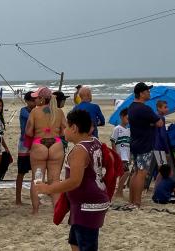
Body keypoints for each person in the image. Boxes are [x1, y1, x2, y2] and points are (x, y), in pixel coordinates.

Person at [34, 109, 110, 251]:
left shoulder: (79, 151)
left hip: (87, 206)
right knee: (74, 242)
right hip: (88, 202)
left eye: (66, 127)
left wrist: (48, 188)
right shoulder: (94, 141)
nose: (64, 130)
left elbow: (75, 181)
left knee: (86, 245)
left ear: (74, 128)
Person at [26, 86, 66, 214]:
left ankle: (36, 210)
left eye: (36, 98)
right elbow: (64, 131)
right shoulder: (59, 112)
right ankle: (56, 209)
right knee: (55, 180)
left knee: (37, 179)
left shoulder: (34, 112)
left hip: (39, 145)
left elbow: (28, 131)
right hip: (56, 145)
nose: (35, 100)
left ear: (42, 99)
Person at [127, 83, 162, 208]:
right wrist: (152, 123)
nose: (149, 93)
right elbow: (159, 123)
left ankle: (131, 200)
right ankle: (137, 202)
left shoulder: (131, 107)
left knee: (136, 172)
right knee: (142, 173)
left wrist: (150, 123)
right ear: (141, 93)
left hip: (135, 142)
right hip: (144, 144)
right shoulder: (144, 109)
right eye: (147, 91)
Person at [16, 90, 37, 206]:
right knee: (21, 171)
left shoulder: (36, 111)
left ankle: (35, 197)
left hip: (35, 143)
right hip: (24, 145)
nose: (35, 102)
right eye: (33, 100)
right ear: (27, 101)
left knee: (37, 172)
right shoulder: (24, 111)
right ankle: (17, 199)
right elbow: (32, 119)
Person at [147, 100, 172, 190]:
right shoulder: (161, 118)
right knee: (162, 168)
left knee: (159, 168)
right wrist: (166, 148)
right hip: (159, 146)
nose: (167, 109)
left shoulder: (154, 117)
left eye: (167, 107)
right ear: (159, 108)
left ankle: (158, 187)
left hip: (153, 145)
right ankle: (158, 188)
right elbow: (162, 135)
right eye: (165, 107)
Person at [109, 109, 131, 199]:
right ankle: (118, 191)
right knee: (126, 172)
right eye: (127, 118)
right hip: (120, 155)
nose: (128, 120)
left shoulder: (129, 130)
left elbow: (129, 144)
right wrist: (115, 154)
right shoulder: (117, 129)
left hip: (127, 155)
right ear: (122, 117)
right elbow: (113, 141)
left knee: (122, 174)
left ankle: (119, 190)